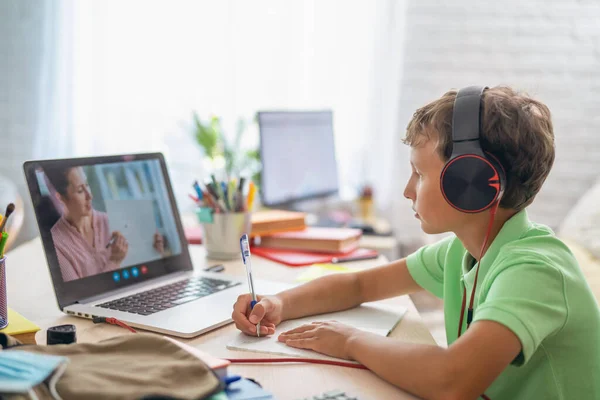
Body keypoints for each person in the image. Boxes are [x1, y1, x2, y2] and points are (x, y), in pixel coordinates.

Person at [231, 86, 600, 399]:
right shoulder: (463, 251)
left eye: (419, 173)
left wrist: (349, 341)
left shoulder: (535, 269)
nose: (408, 190)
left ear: (470, 181)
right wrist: (279, 303)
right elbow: (360, 283)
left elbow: (452, 379)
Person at [46, 166, 164, 282]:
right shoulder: (56, 245)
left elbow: (142, 271)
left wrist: (154, 253)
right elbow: (79, 295)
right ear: (60, 198)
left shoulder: (112, 220)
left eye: (87, 185)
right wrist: (114, 261)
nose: (90, 196)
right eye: (80, 190)